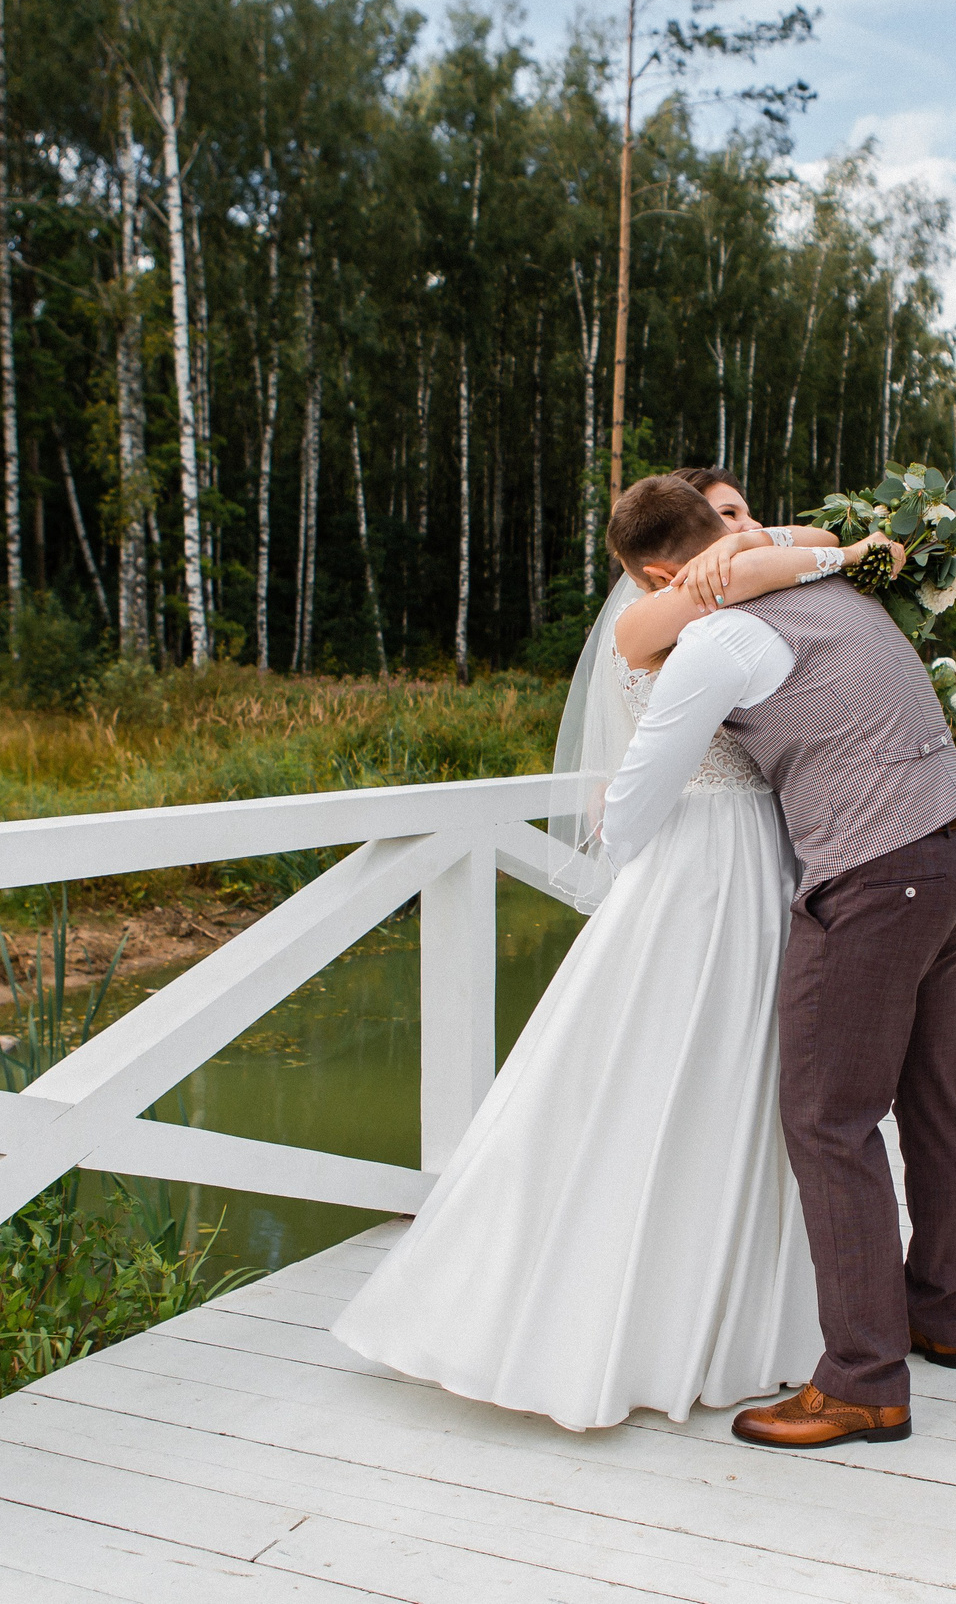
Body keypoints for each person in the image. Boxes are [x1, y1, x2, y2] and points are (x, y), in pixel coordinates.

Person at [329, 476, 899, 1433]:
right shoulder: (662, 621)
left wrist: (803, 545)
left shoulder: (724, 594)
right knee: (685, 1064)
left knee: (750, 1075)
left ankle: (758, 1309)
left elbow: (785, 549)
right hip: (712, 860)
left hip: (757, 854)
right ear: (670, 568)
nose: (742, 540)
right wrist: (826, 556)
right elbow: (641, 788)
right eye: (723, 528)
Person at [601, 483, 956, 1451]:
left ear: (664, 577)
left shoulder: (720, 641)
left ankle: (862, 1379)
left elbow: (632, 809)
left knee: (826, 1119)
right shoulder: (836, 599)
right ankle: (936, 1315)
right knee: (932, 1093)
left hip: (873, 880)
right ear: (731, 540)